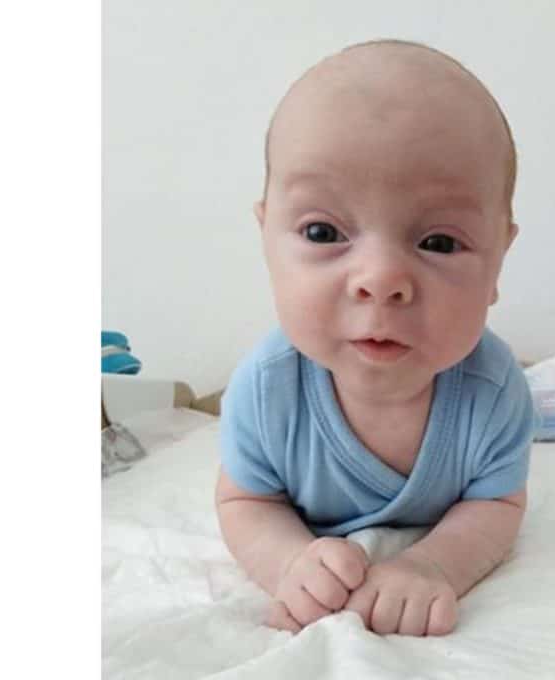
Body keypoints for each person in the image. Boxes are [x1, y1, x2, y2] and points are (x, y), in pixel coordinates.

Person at [216, 38, 536, 638]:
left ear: (498, 261)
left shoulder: (494, 392)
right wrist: (288, 563)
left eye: (439, 242)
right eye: (322, 232)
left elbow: (496, 505)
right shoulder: (266, 389)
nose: (381, 279)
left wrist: (432, 565)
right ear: (267, 242)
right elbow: (246, 502)